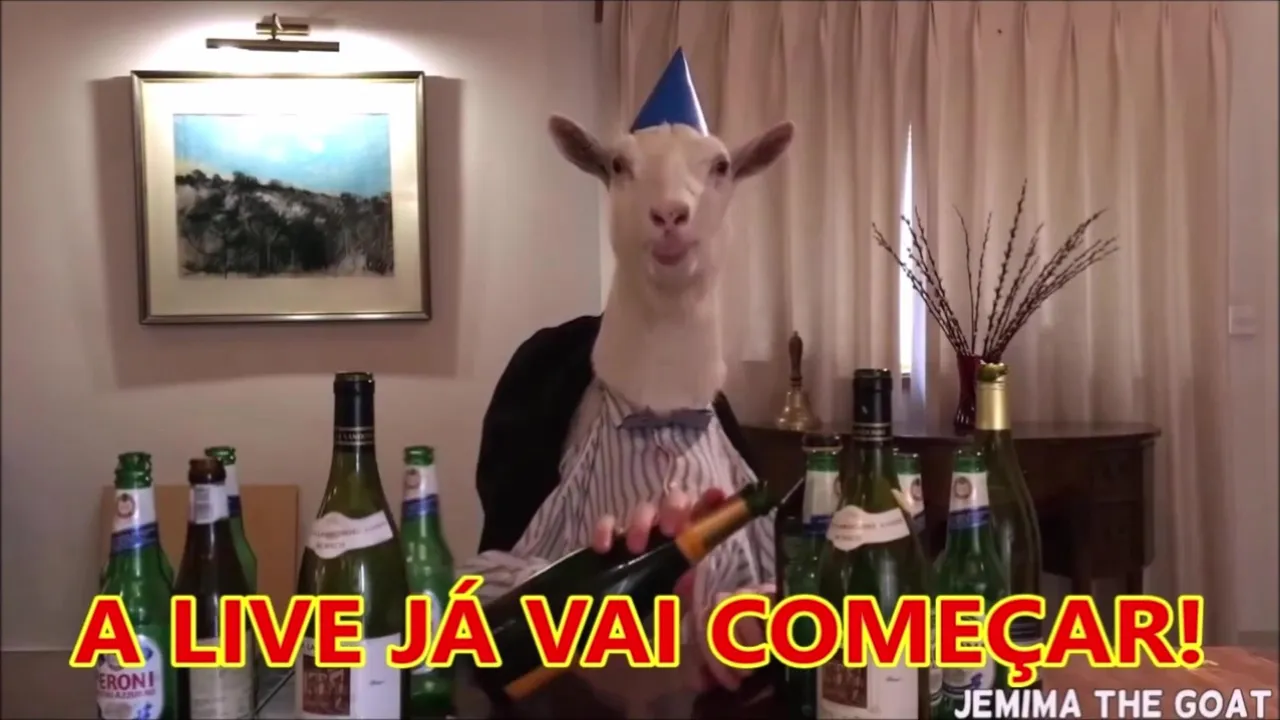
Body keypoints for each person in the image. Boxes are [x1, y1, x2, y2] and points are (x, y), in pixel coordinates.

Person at [458, 47, 793, 693]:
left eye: (717, 170)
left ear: (734, 182)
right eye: (622, 169)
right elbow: (483, 621)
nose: (670, 205)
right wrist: (581, 604)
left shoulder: (723, 435)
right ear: (605, 178)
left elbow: (787, 632)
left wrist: (749, 638)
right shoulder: (544, 389)